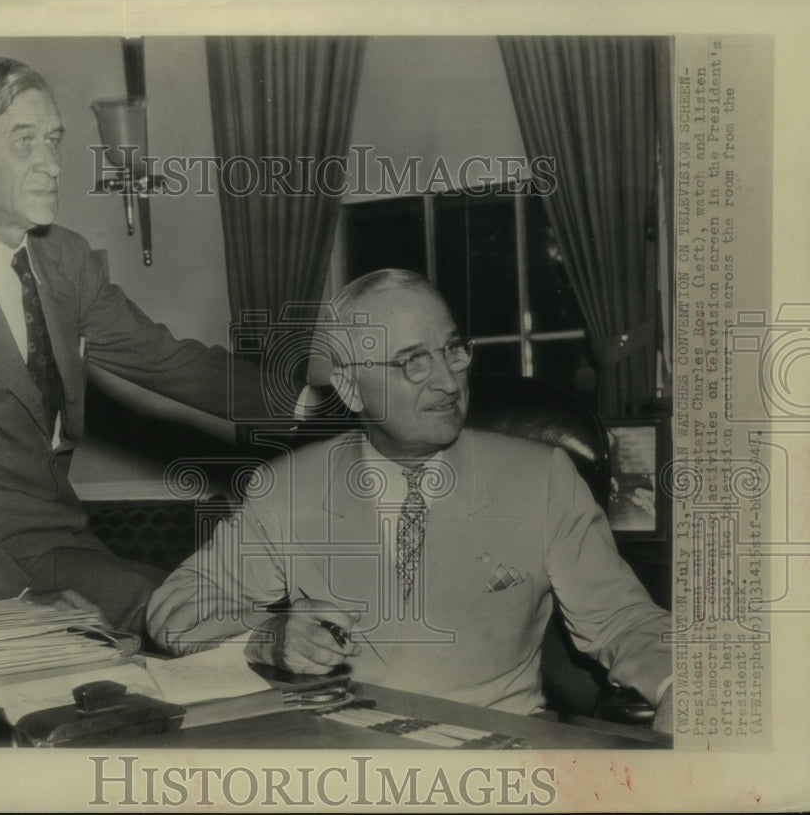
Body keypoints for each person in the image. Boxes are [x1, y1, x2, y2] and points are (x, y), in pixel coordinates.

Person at [146, 269, 673, 732]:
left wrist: (678, 686)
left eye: (452, 350)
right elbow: (177, 611)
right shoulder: (286, 489)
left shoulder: (541, 477)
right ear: (351, 389)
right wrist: (267, 634)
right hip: (341, 765)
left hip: (492, 759)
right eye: (413, 362)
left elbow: (623, 619)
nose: (448, 380)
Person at [0, 56, 268, 632]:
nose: (50, 164)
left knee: (217, 619)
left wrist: (306, 405)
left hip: (61, 546)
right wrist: (15, 603)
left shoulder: (63, 258)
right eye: (24, 143)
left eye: (53, 140)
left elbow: (165, 359)